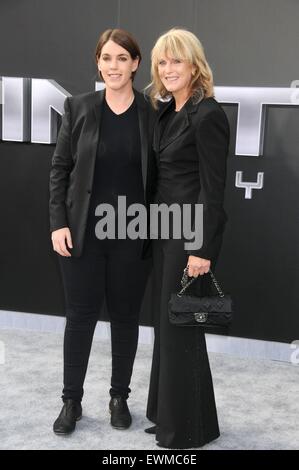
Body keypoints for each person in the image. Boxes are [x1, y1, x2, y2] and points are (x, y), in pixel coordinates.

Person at [49, 28, 156, 435]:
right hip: (82, 235)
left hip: (133, 235)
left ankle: (119, 397)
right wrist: (58, 222)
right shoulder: (77, 107)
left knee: (126, 319)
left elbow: (161, 178)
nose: (114, 65)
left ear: (135, 64)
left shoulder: (152, 114)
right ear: (98, 62)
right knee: (79, 318)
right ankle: (71, 402)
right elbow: (60, 170)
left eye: (122, 58)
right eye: (107, 58)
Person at [145, 28, 230, 448]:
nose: (168, 68)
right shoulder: (166, 112)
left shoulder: (208, 114)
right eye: (162, 62)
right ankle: (167, 415)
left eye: (176, 60)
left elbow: (214, 191)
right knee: (167, 326)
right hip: (161, 232)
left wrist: (202, 249)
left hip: (186, 236)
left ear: (195, 65)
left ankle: (185, 430)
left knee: (180, 327)